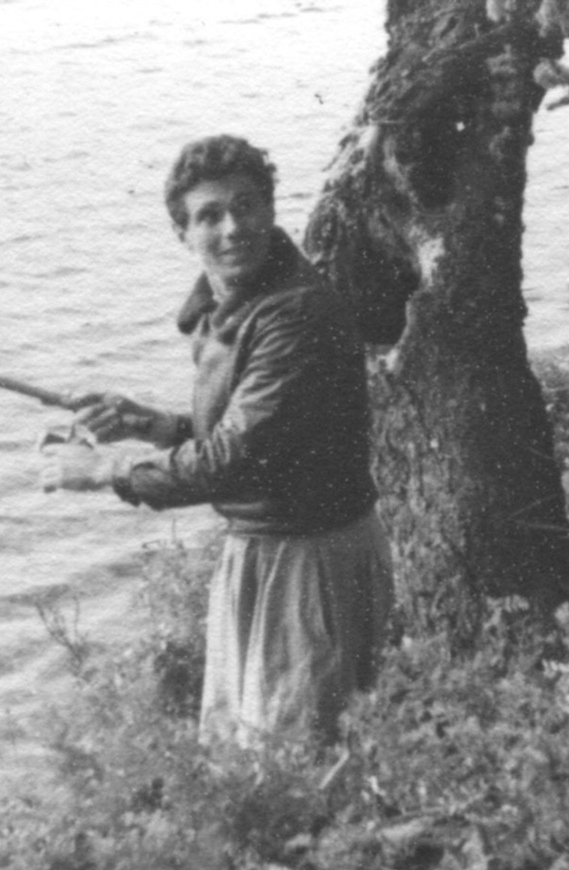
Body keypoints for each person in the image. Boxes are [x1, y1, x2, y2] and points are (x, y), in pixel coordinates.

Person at [41, 134, 393, 748]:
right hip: (265, 550)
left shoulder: (295, 314)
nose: (234, 227)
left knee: (295, 757)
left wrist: (104, 471)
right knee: (259, 750)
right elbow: (261, 439)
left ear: (270, 209)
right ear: (184, 233)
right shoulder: (235, 305)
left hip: (310, 559)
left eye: (247, 205)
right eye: (210, 215)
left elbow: (233, 460)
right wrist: (156, 426)